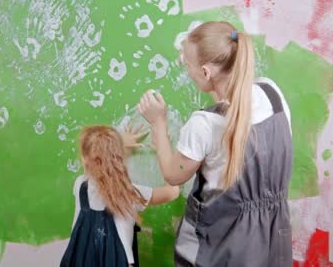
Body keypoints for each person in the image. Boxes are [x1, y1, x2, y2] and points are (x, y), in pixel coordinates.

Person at [137, 21, 293, 266]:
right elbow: (235, 107)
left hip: (224, 244)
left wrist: (158, 123)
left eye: (187, 63)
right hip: (273, 236)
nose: (185, 66)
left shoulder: (204, 124)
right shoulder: (272, 94)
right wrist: (196, 60)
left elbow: (172, 174)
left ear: (206, 73)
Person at [61, 125, 180, 267]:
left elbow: (104, 168)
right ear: (119, 158)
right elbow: (173, 191)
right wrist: (163, 151)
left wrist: (120, 146)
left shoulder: (80, 185)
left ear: (84, 160)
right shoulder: (129, 193)